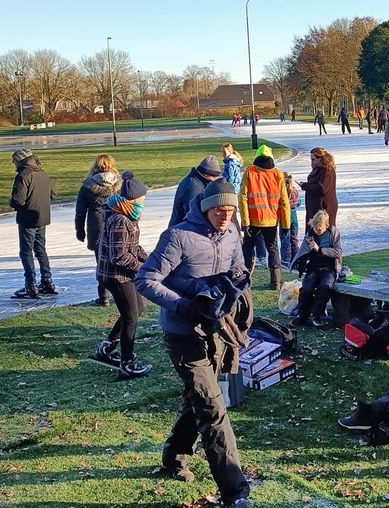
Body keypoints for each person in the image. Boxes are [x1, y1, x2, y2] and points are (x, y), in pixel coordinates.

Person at [134, 179, 253, 508]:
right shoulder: (178, 237)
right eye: (219, 211)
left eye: (230, 211)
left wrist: (235, 285)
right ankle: (235, 492)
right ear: (206, 208)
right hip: (183, 334)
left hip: (216, 332)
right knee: (213, 408)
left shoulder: (231, 234)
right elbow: (145, 280)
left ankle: (174, 458)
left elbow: (238, 266)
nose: (225, 217)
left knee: (199, 398)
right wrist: (186, 304)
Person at [90, 171, 151, 379]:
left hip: (123, 274)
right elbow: (119, 256)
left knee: (137, 308)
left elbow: (132, 246)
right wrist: (142, 268)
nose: (144, 203)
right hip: (116, 276)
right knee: (131, 317)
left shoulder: (128, 214)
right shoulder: (120, 219)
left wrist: (148, 259)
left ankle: (107, 348)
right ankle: (127, 363)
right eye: (142, 199)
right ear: (133, 200)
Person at [239, 145, 291, 290]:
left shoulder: (250, 172)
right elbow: (284, 201)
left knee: (248, 247)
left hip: (253, 219)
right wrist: (286, 224)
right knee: (273, 248)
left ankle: (244, 281)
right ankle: (276, 282)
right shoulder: (278, 174)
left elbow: (242, 197)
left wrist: (245, 222)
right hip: (272, 220)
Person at [9, 148, 57, 299]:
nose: (13, 164)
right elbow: (53, 193)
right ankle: (47, 281)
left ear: (20, 160)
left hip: (28, 218)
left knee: (26, 252)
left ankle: (31, 285)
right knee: (40, 249)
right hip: (42, 217)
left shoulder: (23, 175)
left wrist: (13, 203)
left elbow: (18, 200)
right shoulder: (43, 174)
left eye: (14, 161)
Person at [75, 154, 122, 306]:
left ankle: (104, 298)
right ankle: (122, 294)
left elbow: (80, 211)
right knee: (119, 261)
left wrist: (79, 230)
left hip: (97, 227)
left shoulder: (88, 186)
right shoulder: (120, 184)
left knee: (101, 263)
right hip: (117, 227)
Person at [290, 211, 343, 328]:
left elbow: (338, 252)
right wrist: (302, 261)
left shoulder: (333, 233)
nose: (317, 231)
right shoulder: (310, 234)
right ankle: (302, 316)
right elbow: (302, 252)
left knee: (325, 287)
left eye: (319, 230)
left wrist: (320, 249)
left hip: (329, 268)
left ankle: (316, 315)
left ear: (326, 225)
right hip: (313, 268)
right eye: (315, 229)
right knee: (307, 288)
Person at [169, 155, 223, 227]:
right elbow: (193, 214)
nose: (214, 179)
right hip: (184, 230)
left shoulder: (195, 180)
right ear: (205, 174)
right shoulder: (193, 187)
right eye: (213, 176)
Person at [301, 147, 338, 226]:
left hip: (323, 207)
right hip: (316, 207)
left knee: (322, 232)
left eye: (313, 159)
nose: (312, 162)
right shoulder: (319, 169)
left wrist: (305, 186)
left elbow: (321, 188)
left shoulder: (327, 170)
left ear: (320, 158)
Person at [280, 172, 301, 270]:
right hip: (294, 217)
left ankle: (285, 260)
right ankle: (296, 260)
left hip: (285, 217)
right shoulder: (295, 191)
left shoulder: (282, 192)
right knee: (294, 239)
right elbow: (299, 203)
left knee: (285, 239)